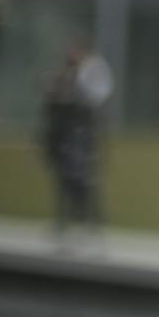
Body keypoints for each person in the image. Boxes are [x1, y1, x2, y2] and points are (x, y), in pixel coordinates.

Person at [40, 35, 113, 242]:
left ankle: (89, 222)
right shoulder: (64, 73)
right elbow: (51, 98)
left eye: (73, 50)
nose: (69, 53)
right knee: (65, 179)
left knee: (82, 179)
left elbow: (92, 99)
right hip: (64, 134)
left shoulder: (90, 71)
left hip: (79, 133)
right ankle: (66, 220)